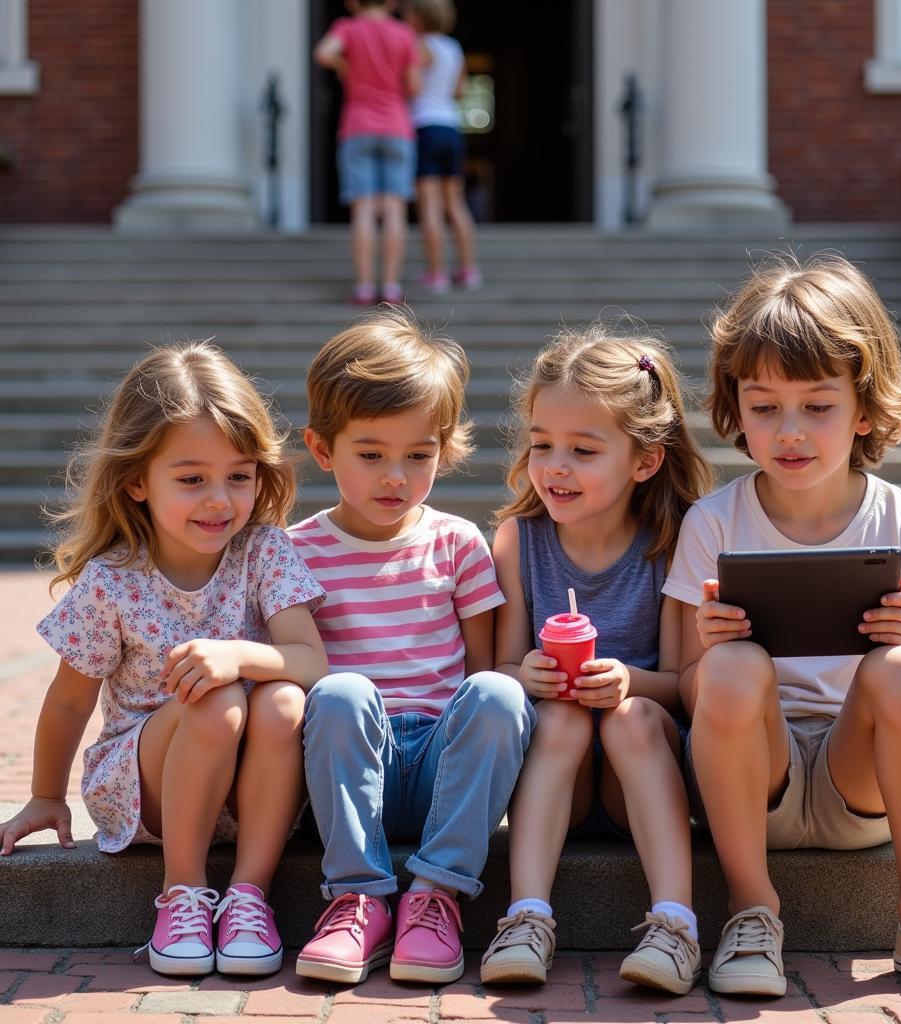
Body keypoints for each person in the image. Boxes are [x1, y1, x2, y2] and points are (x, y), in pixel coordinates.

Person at [665, 254, 901, 1002]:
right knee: (729, 668)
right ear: (736, 409)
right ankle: (753, 911)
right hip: (752, 780)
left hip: (864, 788)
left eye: (816, 406)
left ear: (864, 408)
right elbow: (687, 693)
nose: (789, 432)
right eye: (764, 407)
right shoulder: (712, 523)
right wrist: (716, 649)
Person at [0, 343, 328, 978]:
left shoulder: (265, 551)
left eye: (239, 475)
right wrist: (45, 795)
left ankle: (247, 897)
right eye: (191, 478)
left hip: (256, 787)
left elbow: (311, 661)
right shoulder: (113, 579)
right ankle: (182, 893)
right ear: (136, 480)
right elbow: (70, 700)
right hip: (146, 787)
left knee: (284, 696)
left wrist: (238, 654)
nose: (219, 499)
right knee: (216, 697)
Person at [289, 307, 535, 986]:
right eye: (371, 455)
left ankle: (437, 895)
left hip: (439, 768)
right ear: (321, 449)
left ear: (444, 448)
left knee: (498, 692)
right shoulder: (294, 553)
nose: (395, 476)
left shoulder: (457, 542)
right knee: (338, 691)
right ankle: (358, 896)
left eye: (419, 456)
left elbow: (480, 679)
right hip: (345, 765)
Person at [478, 327, 715, 995]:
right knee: (560, 720)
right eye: (541, 444)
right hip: (565, 777)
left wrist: (626, 682)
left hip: (644, 766)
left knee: (631, 717)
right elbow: (499, 670)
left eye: (583, 450)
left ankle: (675, 923)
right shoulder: (518, 541)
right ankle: (526, 915)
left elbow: (680, 687)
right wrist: (527, 675)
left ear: (643, 461)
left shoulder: (673, 542)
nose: (555, 466)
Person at [314, 1, 421, 306]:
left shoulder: (347, 28)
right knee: (394, 208)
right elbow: (413, 86)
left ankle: (363, 286)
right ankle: (389, 286)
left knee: (363, 209)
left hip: (357, 126)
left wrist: (345, 66)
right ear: (391, 2)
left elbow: (323, 53)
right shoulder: (404, 33)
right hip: (397, 127)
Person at [404, 0, 482, 293]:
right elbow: (459, 90)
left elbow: (411, 85)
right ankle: (468, 270)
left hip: (425, 126)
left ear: (417, 18)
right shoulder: (453, 47)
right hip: (451, 127)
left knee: (430, 205)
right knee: (456, 203)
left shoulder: (418, 45)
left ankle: (436, 274)